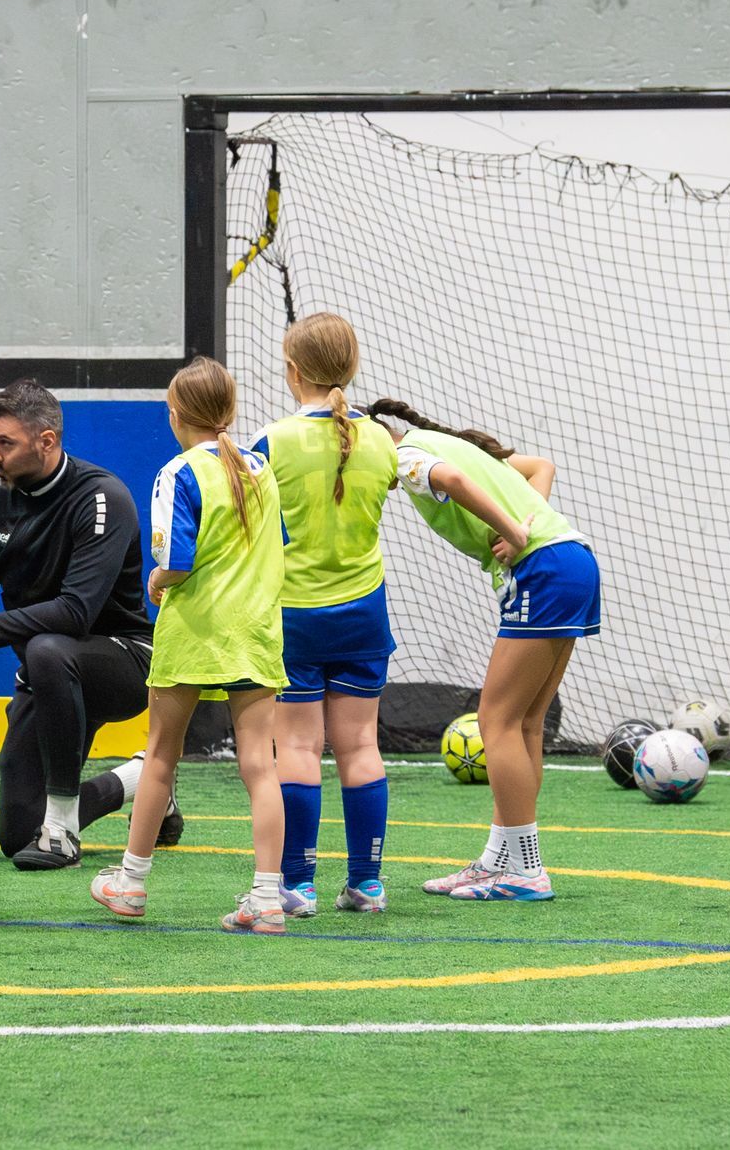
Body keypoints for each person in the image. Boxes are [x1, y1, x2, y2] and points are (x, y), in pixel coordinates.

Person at [368, 398, 599, 903]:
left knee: (495, 720)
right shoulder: (448, 443)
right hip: (572, 559)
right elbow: (542, 467)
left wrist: (517, 531)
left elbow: (454, 483)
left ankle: (527, 871)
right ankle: (501, 859)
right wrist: (526, 519)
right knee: (526, 722)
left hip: (542, 569)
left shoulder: (406, 458)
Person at [0, 379, 182, 870]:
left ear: (46, 440)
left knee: (47, 646)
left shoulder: (102, 497)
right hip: (45, 669)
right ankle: (139, 780)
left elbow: (76, 611)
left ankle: (61, 832)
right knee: (15, 835)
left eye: (5, 443)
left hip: (124, 660)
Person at [92, 357, 289, 935]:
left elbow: (175, 563)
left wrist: (156, 581)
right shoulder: (262, 470)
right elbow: (279, 545)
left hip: (195, 632)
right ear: (228, 411)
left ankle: (129, 883)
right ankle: (268, 897)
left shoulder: (177, 473)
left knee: (160, 757)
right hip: (255, 632)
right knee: (260, 765)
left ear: (176, 414)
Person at [254, 313, 399, 918]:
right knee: (361, 745)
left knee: (298, 749)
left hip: (295, 615)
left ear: (293, 371)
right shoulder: (383, 441)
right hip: (364, 611)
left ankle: (297, 884)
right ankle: (366, 883)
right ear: (354, 366)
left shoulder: (274, 441)